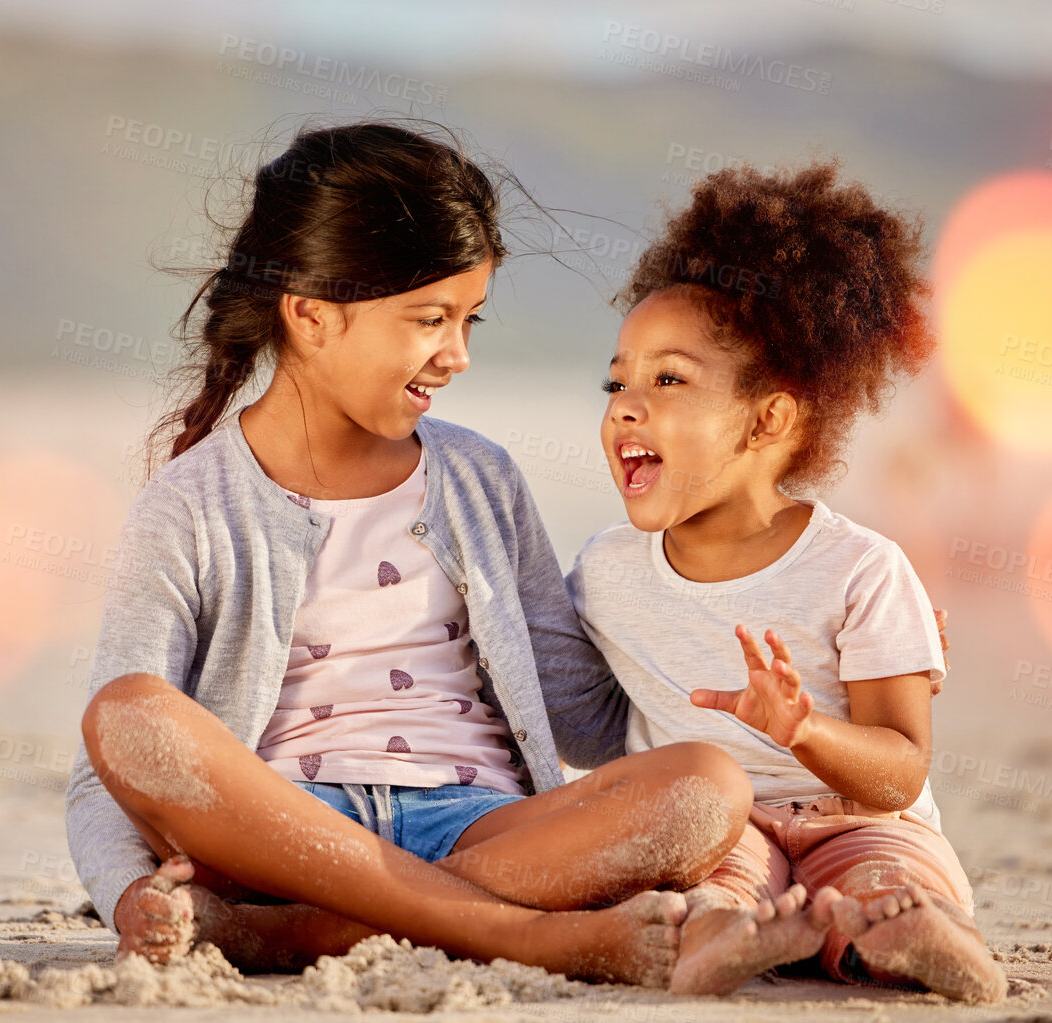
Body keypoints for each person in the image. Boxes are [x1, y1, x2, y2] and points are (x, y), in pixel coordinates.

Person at [64, 120, 765, 987]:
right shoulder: (192, 503)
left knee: (706, 786)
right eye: (429, 319)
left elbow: (583, 714)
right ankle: (524, 936)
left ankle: (293, 937)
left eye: (468, 319)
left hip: (476, 823)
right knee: (125, 713)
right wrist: (128, 888)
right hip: (282, 832)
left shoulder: (480, 478)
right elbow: (109, 768)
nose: (457, 354)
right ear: (312, 314)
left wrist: (718, 579)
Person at [568, 159, 1006, 1002]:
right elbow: (548, 695)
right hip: (718, 828)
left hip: (859, 824)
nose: (624, 405)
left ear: (769, 417)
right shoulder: (604, 573)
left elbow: (899, 773)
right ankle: (725, 935)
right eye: (615, 381)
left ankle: (917, 938)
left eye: (667, 379)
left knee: (885, 883)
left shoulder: (862, 570)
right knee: (702, 889)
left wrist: (805, 731)